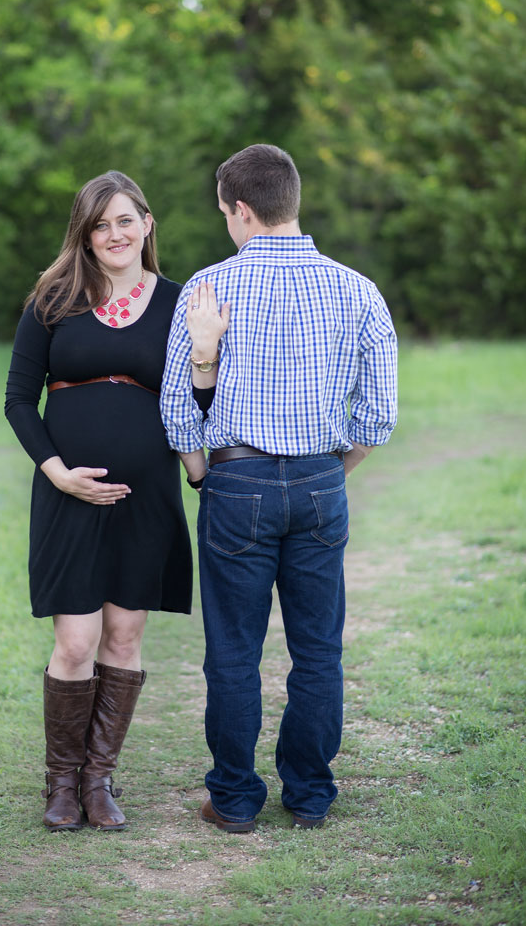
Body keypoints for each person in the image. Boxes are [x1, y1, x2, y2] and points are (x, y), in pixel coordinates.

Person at [160, 144, 398, 833]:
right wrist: (329, 473)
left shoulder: (207, 288)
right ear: (291, 201)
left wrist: (206, 477)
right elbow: (378, 416)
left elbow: (178, 411)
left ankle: (234, 800)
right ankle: (310, 796)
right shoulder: (358, 289)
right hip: (322, 479)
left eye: (225, 215)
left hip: (236, 480)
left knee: (234, 650)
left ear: (240, 210)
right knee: (317, 649)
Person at [5, 170, 200, 833]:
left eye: (125, 220)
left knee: (124, 633)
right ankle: (60, 782)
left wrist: (205, 364)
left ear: (147, 223)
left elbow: (197, 403)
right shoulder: (54, 298)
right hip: (67, 494)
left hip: (146, 494)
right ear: (84, 235)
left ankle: (99, 780)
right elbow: (16, 399)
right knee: (75, 642)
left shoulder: (181, 301)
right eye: (100, 224)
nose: (114, 234)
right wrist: (58, 473)